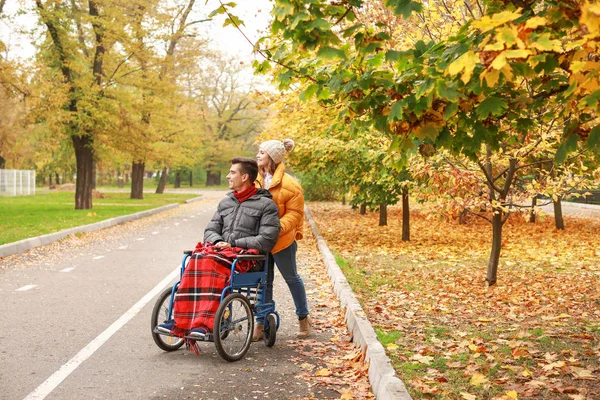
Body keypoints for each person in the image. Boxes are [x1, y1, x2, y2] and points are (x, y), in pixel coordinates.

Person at [157, 157, 280, 337]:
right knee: (196, 258)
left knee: (211, 263)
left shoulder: (266, 205)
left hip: (247, 259)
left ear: (244, 177)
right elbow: (210, 229)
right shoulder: (226, 203)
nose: (227, 176)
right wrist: (216, 242)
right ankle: (180, 322)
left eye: (232, 172)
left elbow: (267, 239)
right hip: (221, 253)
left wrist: (233, 244)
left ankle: (205, 324)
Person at [254, 138, 312, 340]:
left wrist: (278, 228)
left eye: (261, 152)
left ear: (271, 157)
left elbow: (295, 213)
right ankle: (260, 324)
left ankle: (303, 318)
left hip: (282, 241)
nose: (258, 155)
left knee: (291, 278)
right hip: (261, 241)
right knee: (264, 282)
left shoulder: (291, 185)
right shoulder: (256, 181)